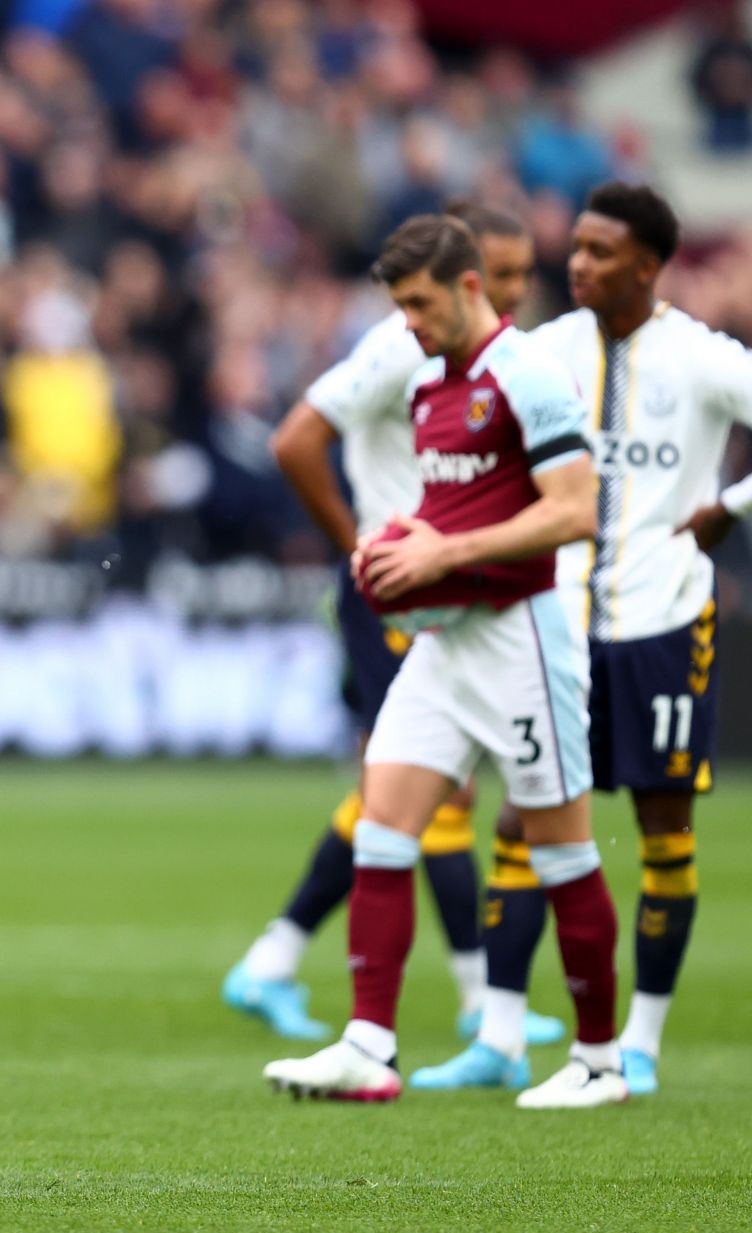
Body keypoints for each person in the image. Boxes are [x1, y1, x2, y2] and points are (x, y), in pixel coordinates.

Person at [262, 214, 624, 1109]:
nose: (409, 325)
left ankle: (601, 1062)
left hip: (521, 640)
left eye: (421, 305)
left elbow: (576, 511)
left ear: (469, 287)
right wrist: (409, 536)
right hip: (446, 641)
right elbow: (460, 501)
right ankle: (367, 1044)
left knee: (563, 852)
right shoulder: (432, 379)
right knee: (384, 824)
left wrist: (443, 554)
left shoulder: (530, 372)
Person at [430, 183, 752, 1096]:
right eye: (574, 246)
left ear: (648, 266)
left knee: (663, 828)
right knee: (520, 816)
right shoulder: (540, 354)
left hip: (660, 623)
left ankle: (641, 1042)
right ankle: (498, 1033)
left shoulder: (700, 357)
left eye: (600, 251)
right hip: (554, 624)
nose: (576, 263)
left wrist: (729, 506)